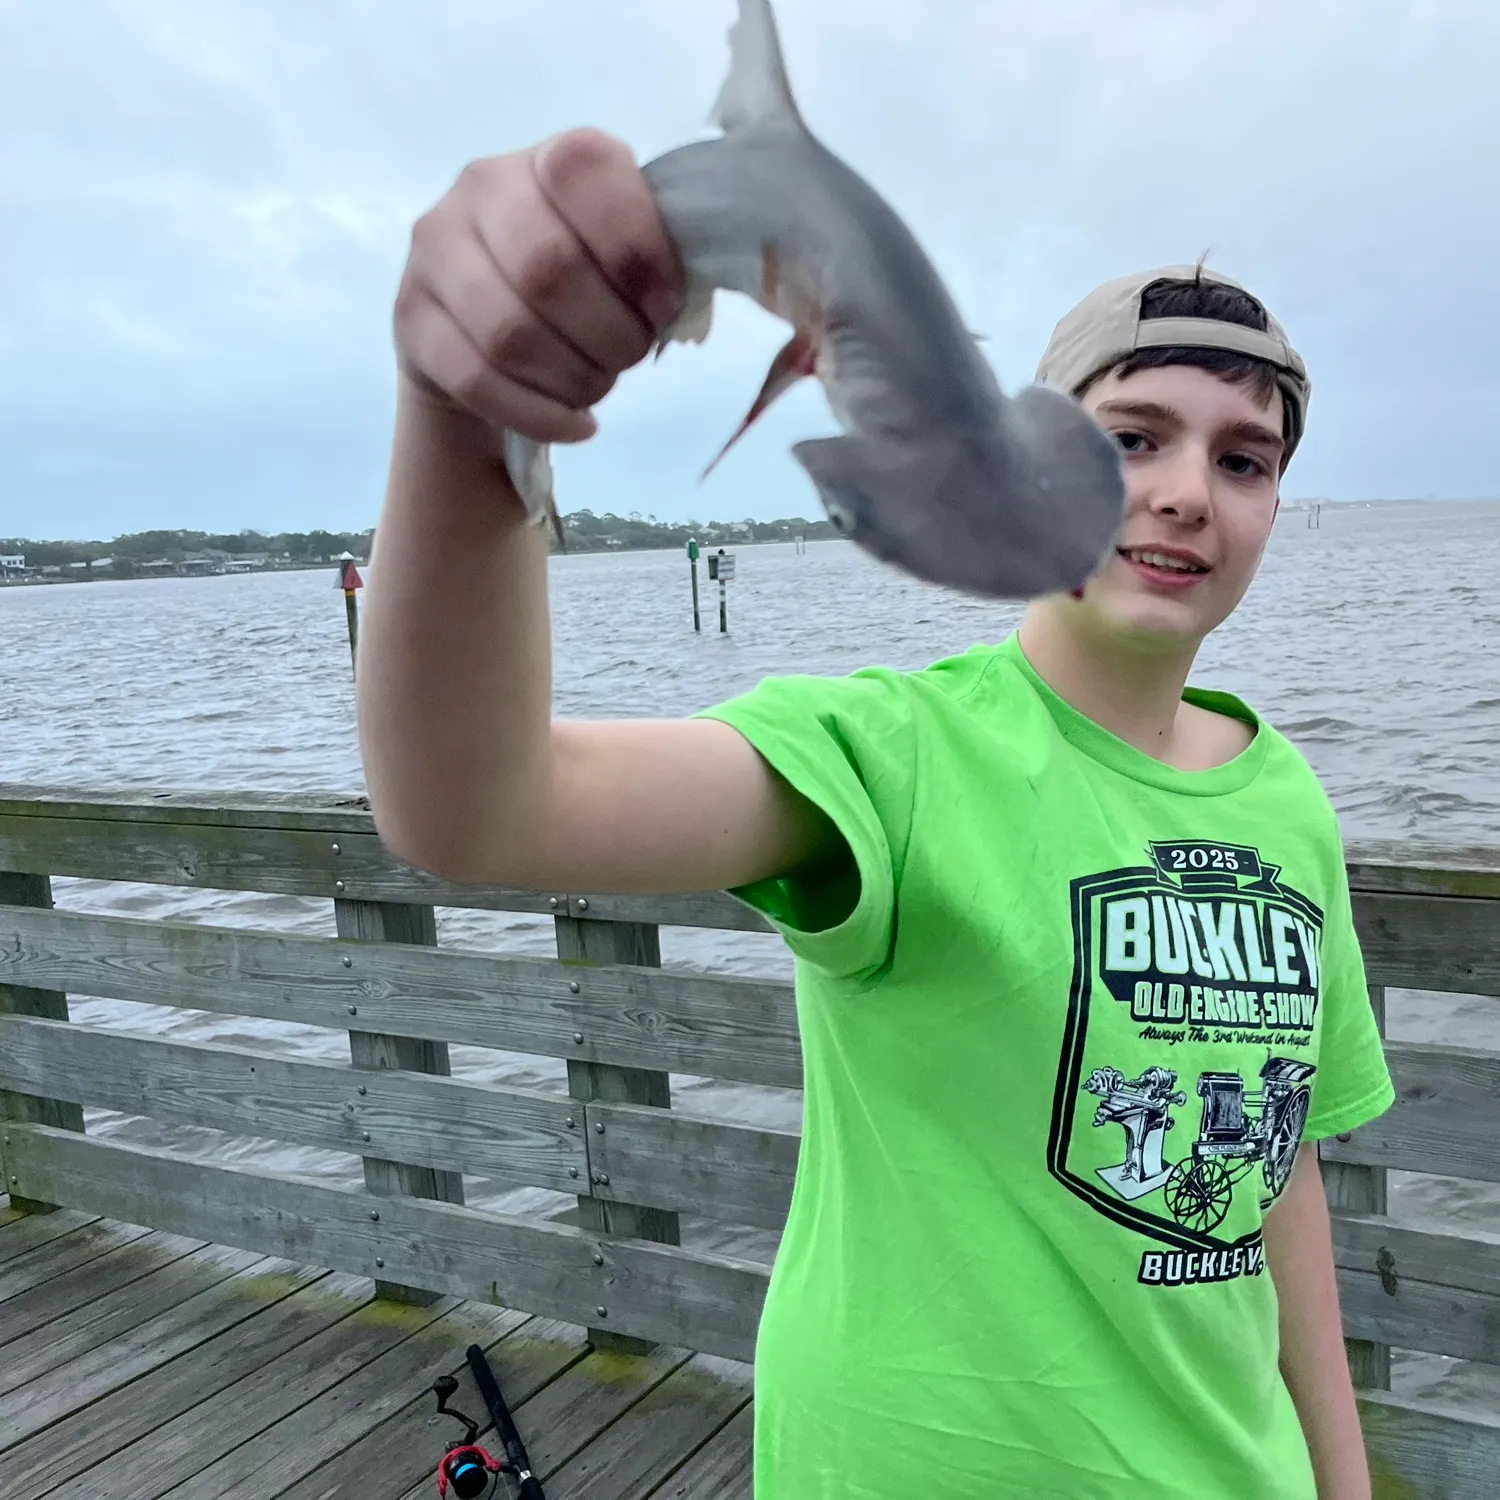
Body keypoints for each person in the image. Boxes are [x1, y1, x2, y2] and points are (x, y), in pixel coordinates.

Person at [359, 127, 1394, 1500]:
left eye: (1247, 460)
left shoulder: (1287, 801)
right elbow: (480, 806)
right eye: (1131, 437)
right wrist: (462, 407)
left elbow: (1283, 1167)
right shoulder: (895, 755)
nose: (1188, 492)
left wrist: (1340, 1475)